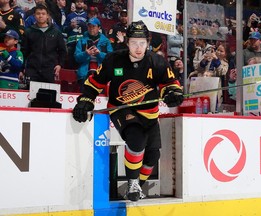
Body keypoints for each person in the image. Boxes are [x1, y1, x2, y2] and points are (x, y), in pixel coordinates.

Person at [72, 20, 184, 202]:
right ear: (127, 42)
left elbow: (169, 83)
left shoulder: (157, 61)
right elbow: (95, 83)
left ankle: (137, 185)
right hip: (122, 110)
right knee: (136, 137)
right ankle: (132, 182)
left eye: (142, 43)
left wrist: (173, 93)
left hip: (149, 113)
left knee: (153, 155)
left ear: (148, 43)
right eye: (133, 43)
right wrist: (85, 100)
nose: (138, 48)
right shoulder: (113, 60)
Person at [21, 3, 67, 85]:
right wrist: (22, 69)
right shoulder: (28, 31)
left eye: (43, 14)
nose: (40, 16)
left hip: (49, 69)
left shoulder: (56, 32)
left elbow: (62, 50)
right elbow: (24, 52)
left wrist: (60, 64)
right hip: (32, 70)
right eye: (38, 14)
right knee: (30, 95)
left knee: (47, 95)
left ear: (47, 16)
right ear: (34, 16)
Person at [74, 17, 113, 91]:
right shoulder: (81, 41)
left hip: (101, 74)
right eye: (89, 26)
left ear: (99, 28)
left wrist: (99, 54)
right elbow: (76, 58)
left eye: (94, 26)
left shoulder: (106, 41)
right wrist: (86, 53)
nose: (91, 28)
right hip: (84, 74)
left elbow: (111, 58)